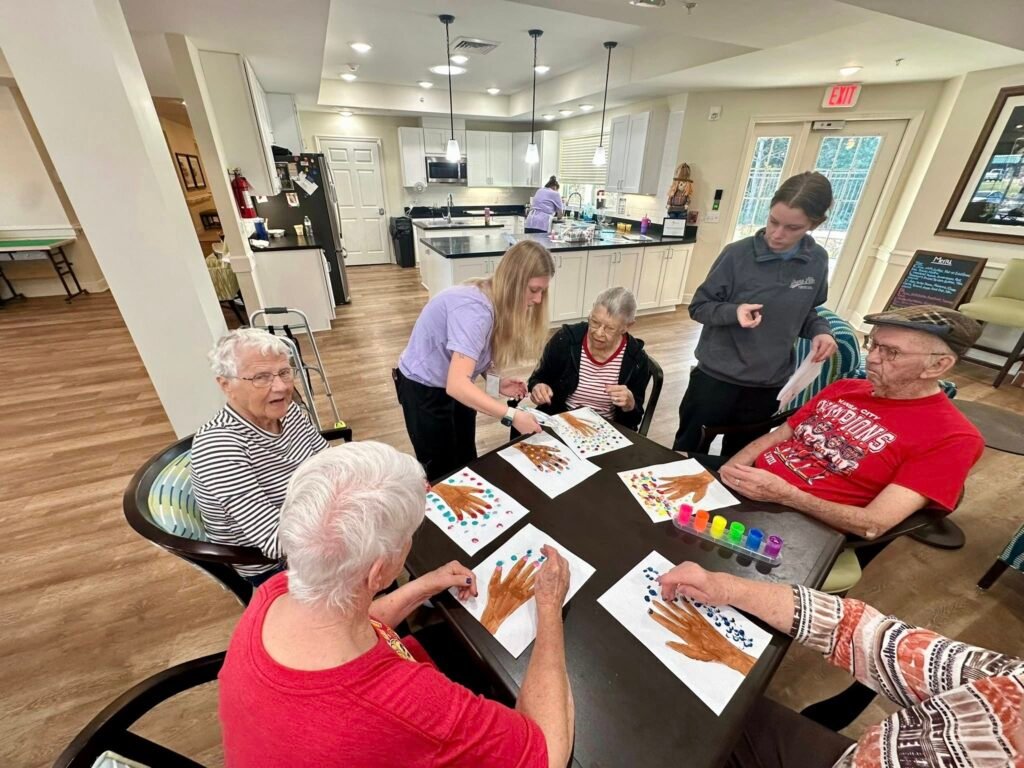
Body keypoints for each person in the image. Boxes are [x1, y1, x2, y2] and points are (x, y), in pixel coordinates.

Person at [218, 441, 575, 768]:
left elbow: (352, 622)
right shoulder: (409, 704)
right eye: (407, 537)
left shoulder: (277, 592)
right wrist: (547, 607)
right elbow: (547, 754)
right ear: (378, 573)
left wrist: (422, 586)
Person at [657, 561, 1024, 768]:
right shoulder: (1014, 685)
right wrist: (727, 587)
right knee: (697, 709)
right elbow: (867, 636)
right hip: (857, 759)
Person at [714, 305, 985, 540]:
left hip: (800, 522)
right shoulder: (845, 387)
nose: (873, 358)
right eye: (873, 344)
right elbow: (778, 435)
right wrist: (729, 471)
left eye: (891, 352)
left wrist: (786, 495)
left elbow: (873, 524)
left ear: (937, 366)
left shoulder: (953, 438)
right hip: (750, 487)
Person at [673, 172, 839, 456]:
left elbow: (807, 312)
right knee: (687, 452)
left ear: (815, 224)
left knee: (740, 460)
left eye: (792, 227)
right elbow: (698, 306)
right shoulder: (736, 255)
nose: (777, 234)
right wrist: (733, 311)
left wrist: (820, 331)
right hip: (715, 379)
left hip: (768, 385)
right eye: (773, 221)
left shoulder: (817, 261)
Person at [395, 240, 554, 481]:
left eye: (542, 291)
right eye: (533, 290)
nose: (539, 299)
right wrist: (512, 416)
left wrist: (496, 382)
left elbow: (473, 356)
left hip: (453, 383)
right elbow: (457, 385)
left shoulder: (495, 299)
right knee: (442, 472)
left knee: (466, 459)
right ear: (513, 281)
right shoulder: (475, 310)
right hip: (423, 389)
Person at [191, 328, 327, 585]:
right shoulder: (219, 447)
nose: (282, 387)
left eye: (284, 372)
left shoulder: (288, 412)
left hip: (312, 518)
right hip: (275, 563)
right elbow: (276, 541)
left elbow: (329, 462)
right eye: (261, 377)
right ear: (226, 385)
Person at [528, 286, 653, 431]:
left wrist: (630, 405)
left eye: (609, 328)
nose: (598, 333)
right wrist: (538, 387)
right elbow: (537, 378)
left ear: (627, 326)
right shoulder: (566, 339)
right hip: (560, 420)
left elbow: (634, 419)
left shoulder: (636, 359)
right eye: (594, 322)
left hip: (605, 429)